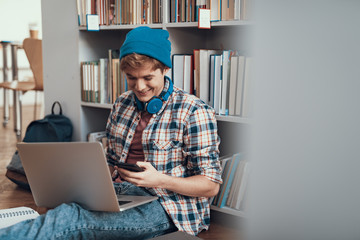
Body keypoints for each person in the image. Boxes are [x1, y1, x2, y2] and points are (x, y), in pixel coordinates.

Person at [0, 26, 222, 239]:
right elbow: (111, 161)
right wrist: (81, 182)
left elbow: (210, 185)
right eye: (131, 78)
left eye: (148, 78)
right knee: (65, 212)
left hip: (167, 204)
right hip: (121, 193)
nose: (140, 87)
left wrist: (160, 180)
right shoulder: (122, 103)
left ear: (165, 69)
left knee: (70, 220)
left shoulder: (194, 111)